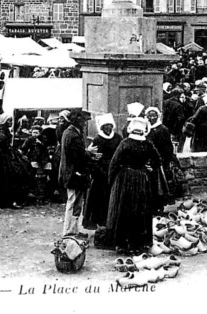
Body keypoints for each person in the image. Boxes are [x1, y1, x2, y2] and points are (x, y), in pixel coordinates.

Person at [106, 117, 163, 254]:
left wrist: (112, 181)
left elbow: (114, 163)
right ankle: (140, 243)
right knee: (140, 210)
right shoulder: (148, 144)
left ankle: (123, 244)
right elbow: (158, 160)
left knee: (124, 209)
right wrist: (148, 168)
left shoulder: (125, 143)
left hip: (125, 179)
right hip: (142, 179)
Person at [58, 109, 99, 237]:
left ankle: (73, 229)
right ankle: (69, 231)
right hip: (75, 174)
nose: (85, 124)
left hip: (71, 173)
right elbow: (78, 156)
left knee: (75, 202)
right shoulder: (73, 135)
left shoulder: (69, 132)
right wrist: (89, 153)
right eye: (84, 121)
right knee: (74, 201)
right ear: (78, 121)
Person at [82, 113, 122, 232]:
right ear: (102, 128)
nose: (108, 129)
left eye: (109, 126)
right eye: (105, 127)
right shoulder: (97, 139)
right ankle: (101, 222)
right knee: (100, 200)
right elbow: (93, 159)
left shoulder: (118, 138)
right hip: (101, 174)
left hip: (114, 171)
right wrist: (99, 171)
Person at [0, 114, 34, 209]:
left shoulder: (5, 131)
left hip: (6, 156)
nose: (10, 123)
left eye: (11, 121)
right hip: (1, 160)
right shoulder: (0, 133)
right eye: (8, 121)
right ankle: (9, 201)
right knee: (12, 175)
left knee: (23, 166)